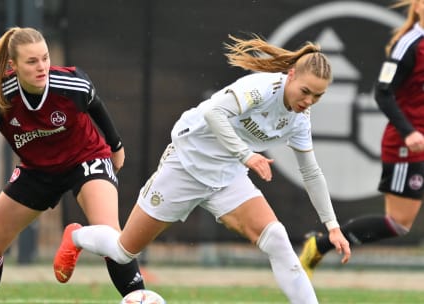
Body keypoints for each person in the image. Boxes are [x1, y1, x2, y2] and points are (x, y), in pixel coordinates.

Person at [57, 34, 352, 304]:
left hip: (226, 175)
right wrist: (246, 155)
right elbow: (213, 112)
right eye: (305, 91)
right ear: (290, 76)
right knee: (124, 251)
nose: (309, 101)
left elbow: (311, 172)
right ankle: (76, 237)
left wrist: (333, 226)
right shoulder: (263, 87)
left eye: (318, 96)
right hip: (186, 165)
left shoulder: (300, 119)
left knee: (276, 238)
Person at [0, 27, 145, 303]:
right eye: (31, 61)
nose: (42, 67)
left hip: (86, 160)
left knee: (111, 236)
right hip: (37, 171)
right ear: (13, 65)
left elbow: (96, 105)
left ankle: (139, 298)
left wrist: (115, 146)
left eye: (45, 58)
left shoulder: (71, 84)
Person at [299, 0, 424, 278]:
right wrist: (409, 132)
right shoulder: (410, 44)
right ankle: (320, 244)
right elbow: (382, 92)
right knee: (398, 223)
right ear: (417, 6)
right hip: (408, 145)